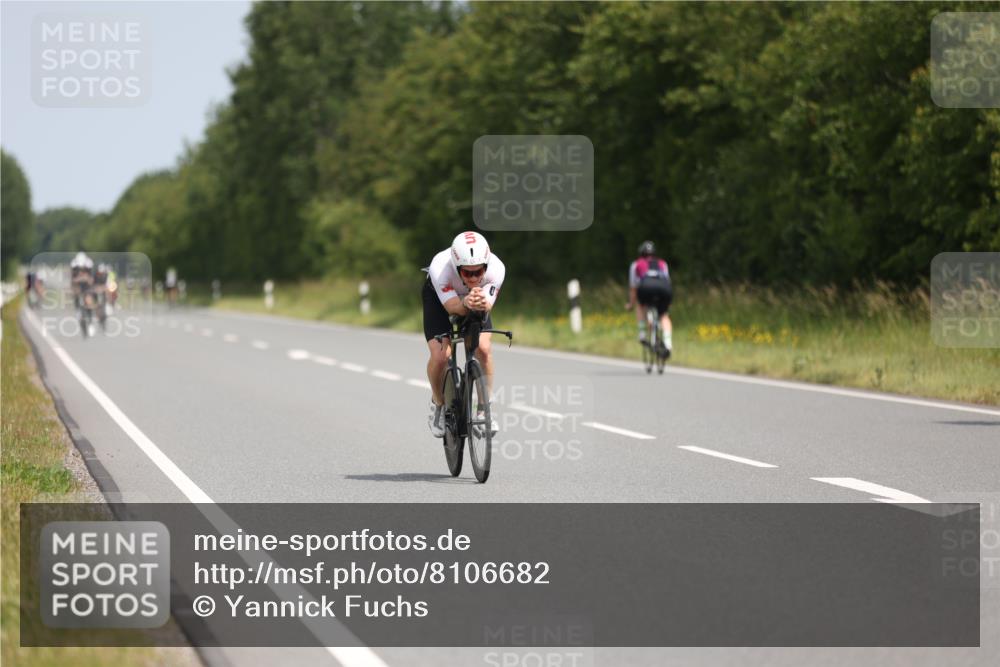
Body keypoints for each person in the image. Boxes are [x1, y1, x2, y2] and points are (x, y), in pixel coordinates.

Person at [424, 231, 506, 438]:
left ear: (486, 265)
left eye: (479, 272)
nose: (474, 278)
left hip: (474, 302)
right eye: (467, 273)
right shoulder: (440, 268)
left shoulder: (497, 268)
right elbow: (453, 308)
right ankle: (438, 404)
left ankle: (484, 410)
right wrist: (465, 303)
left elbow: (486, 306)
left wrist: (479, 301)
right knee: (441, 356)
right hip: (441, 302)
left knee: (483, 349)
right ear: (456, 266)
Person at [626, 240, 673, 355]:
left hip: (646, 286)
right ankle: (668, 344)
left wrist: (631, 304)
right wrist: (668, 302)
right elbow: (668, 281)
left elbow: (633, 288)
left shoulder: (636, 264)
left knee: (640, 305)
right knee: (664, 315)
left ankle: (642, 333)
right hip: (664, 288)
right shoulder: (663, 263)